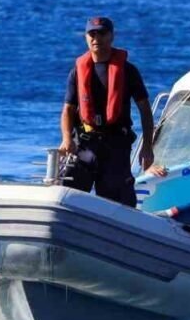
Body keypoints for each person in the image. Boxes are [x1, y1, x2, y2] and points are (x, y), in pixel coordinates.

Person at [58, 16, 157, 206]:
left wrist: (147, 147)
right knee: (68, 193)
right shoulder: (77, 72)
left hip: (116, 144)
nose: (96, 38)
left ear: (111, 36)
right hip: (85, 143)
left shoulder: (128, 71)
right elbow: (68, 110)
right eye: (92, 34)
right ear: (86, 37)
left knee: (118, 202)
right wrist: (66, 138)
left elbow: (145, 110)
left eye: (102, 33)